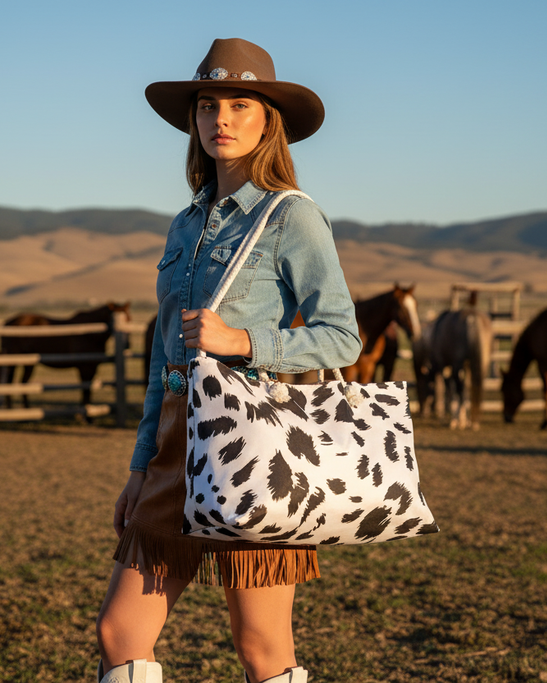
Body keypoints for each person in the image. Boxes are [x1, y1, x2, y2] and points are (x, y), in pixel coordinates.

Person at [95, 38, 362, 683]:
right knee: (119, 632)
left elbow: (343, 336)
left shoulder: (292, 218)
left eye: (241, 104)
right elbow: (166, 359)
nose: (221, 118)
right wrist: (139, 466)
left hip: (252, 447)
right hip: (172, 443)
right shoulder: (185, 226)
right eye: (209, 104)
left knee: (260, 646)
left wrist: (242, 343)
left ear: (268, 119)